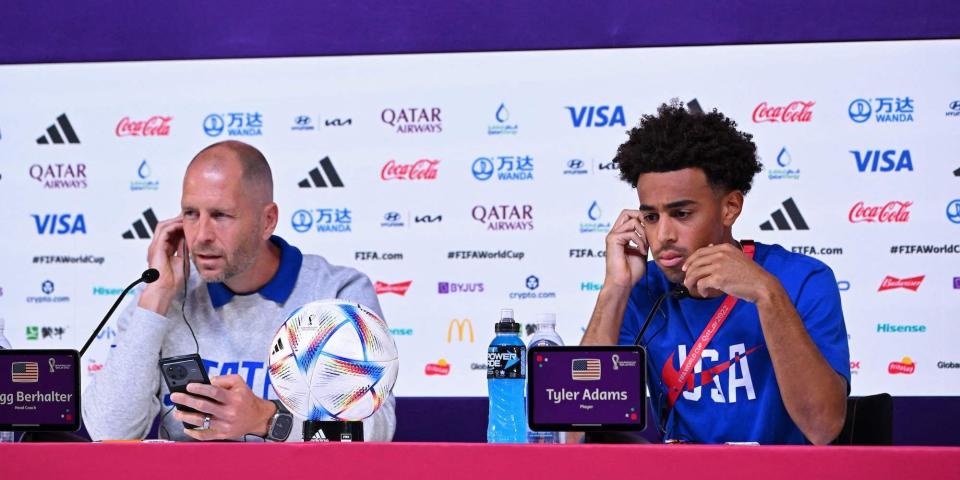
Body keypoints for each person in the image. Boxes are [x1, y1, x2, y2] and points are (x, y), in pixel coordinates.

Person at [83, 141, 395, 441]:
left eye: (221, 215)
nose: (202, 235)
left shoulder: (336, 292)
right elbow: (109, 432)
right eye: (191, 214)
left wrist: (266, 420)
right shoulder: (163, 295)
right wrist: (156, 300)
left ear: (267, 220)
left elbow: (370, 432)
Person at [580, 100, 849, 445]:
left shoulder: (802, 281)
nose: (663, 237)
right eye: (651, 217)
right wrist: (615, 289)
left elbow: (823, 427)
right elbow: (579, 423)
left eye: (682, 214)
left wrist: (767, 296)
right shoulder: (641, 289)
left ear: (730, 208)